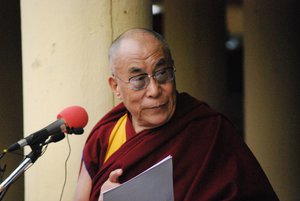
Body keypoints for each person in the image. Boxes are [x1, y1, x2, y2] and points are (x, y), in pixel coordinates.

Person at [73, 28, 279, 201]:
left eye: (163, 73)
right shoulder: (105, 136)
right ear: (115, 86)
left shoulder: (209, 130)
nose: (154, 90)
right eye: (138, 80)